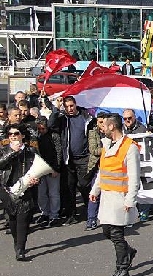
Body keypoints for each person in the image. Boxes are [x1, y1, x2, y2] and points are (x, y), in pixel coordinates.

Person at [89, 113, 140, 276]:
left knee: (117, 234)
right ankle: (128, 251)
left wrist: (130, 200)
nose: (101, 127)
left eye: (104, 124)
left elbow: (134, 177)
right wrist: (95, 190)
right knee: (106, 231)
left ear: (112, 127)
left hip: (120, 198)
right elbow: (103, 171)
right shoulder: (107, 145)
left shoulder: (130, 147)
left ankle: (122, 269)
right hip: (107, 197)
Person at [48, 95, 93, 226]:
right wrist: (56, 109)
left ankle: (90, 210)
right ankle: (71, 214)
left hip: (83, 158)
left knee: (84, 185)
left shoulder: (85, 117)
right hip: (68, 160)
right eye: (66, 107)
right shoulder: (63, 119)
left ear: (75, 104)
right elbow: (51, 124)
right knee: (69, 188)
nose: (69, 109)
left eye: (71, 106)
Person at [0, 124, 39, 261]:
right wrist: (12, 152)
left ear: (22, 135)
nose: (13, 136)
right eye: (10, 134)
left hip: (26, 188)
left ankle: (21, 249)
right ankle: (17, 241)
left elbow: (38, 168)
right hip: (7, 189)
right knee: (12, 220)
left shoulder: (31, 150)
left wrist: (36, 179)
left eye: (16, 133)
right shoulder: (3, 150)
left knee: (24, 219)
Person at [35, 117, 62, 228]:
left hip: (52, 167)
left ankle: (54, 215)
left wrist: (56, 168)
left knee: (53, 193)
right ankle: (45, 212)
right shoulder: (36, 137)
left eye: (43, 128)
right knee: (41, 194)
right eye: (39, 129)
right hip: (40, 168)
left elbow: (58, 152)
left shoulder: (54, 135)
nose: (41, 131)